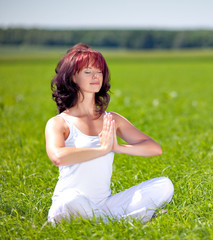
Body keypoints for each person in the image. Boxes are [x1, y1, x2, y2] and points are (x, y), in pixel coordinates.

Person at [45, 43, 174, 224]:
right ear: (73, 77)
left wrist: (118, 147)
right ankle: (132, 219)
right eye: (88, 72)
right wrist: (102, 149)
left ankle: (108, 220)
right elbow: (58, 156)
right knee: (72, 200)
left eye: (99, 71)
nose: (96, 76)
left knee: (164, 185)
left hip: (105, 204)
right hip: (69, 205)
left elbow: (154, 148)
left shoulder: (111, 119)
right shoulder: (59, 123)